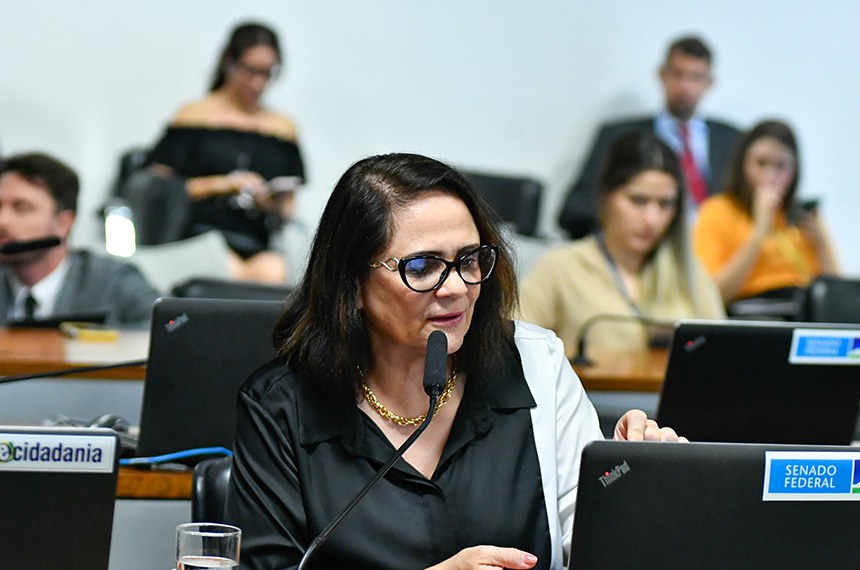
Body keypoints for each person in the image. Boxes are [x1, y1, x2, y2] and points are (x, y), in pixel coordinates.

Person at [224, 153, 685, 570]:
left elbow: (590, 545)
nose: (456, 288)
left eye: (469, 259)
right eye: (422, 267)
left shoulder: (535, 364)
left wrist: (636, 492)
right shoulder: (282, 406)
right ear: (352, 285)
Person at [521, 133, 724, 356]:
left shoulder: (691, 272)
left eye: (665, 204)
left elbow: (723, 355)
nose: (651, 219)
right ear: (606, 196)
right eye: (638, 200)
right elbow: (511, 349)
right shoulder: (561, 268)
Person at [145, 21, 305, 284]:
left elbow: (289, 208)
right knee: (221, 266)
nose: (258, 83)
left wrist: (269, 201)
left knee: (275, 272)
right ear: (228, 62)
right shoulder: (194, 116)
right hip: (198, 232)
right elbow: (156, 190)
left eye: (268, 73)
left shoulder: (282, 129)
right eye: (250, 71)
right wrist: (222, 185)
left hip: (255, 238)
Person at [558, 35, 741, 239]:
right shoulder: (618, 136)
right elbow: (575, 210)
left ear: (710, 83)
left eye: (696, 77)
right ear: (662, 74)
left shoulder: (733, 140)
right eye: (677, 74)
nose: (685, 87)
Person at [0, 153, 160, 328]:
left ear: (63, 222)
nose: (3, 221)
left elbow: (171, 324)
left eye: (22, 208)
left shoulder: (110, 279)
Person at [693, 120, 839, 305]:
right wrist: (760, 229)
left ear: (794, 171)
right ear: (742, 164)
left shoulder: (802, 218)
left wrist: (821, 245)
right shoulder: (718, 211)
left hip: (804, 312)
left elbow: (836, 299)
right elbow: (712, 298)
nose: (770, 176)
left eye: (781, 166)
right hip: (753, 315)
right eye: (761, 163)